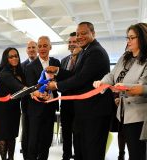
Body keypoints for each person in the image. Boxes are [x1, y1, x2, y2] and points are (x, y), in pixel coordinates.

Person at [46, 22, 114, 160]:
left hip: (94, 111)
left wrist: (57, 85)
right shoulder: (86, 51)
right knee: (82, 150)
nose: (80, 36)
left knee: (92, 151)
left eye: (84, 33)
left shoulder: (95, 52)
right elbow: (76, 75)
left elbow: (81, 79)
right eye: (78, 34)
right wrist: (58, 71)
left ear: (93, 34)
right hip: (85, 111)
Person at [93, 23, 147, 160]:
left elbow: (143, 87)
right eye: (127, 37)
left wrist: (125, 87)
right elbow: (112, 75)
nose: (128, 41)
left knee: (137, 154)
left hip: (139, 116)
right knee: (130, 151)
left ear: (143, 38)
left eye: (132, 38)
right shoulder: (125, 57)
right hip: (123, 114)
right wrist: (102, 83)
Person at [25, 36, 60, 160]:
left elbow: (60, 82)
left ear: (50, 47)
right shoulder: (30, 66)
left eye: (45, 46)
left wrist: (54, 87)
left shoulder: (56, 63)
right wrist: (37, 93)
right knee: (33, 142)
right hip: (35, 109)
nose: (42, 48)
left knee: (46, 141)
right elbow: (30, 87)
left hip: (50, 108)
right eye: (40, 46)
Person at [0, 47, 26, 160]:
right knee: (3, 135)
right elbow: (16, 85)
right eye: (11, 56)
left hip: (14, 107)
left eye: (16, 56)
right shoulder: (4, 73)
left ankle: (11, 158)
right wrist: (25, 88)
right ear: (6, 59)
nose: (14, 58)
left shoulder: (19, 71)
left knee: (12, 134)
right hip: (2, 108)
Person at [60, 32, 82, 160]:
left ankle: (78, 155)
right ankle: (66, 155)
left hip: (79, 102)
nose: (72, 44)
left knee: (78, 132)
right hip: (65, 102)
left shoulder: (83, 58)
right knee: (66, 132)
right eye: (69, 42)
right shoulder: (64, 61)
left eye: (74, 41)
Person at [20, 40, 37, 160]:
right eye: (29, 47)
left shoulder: (43, 64)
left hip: (42, 104)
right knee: (26, 134)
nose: (31, 49)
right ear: (26, 50)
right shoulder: (22, 66)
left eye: (33, 47)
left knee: (38, 135)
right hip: (27, 105)